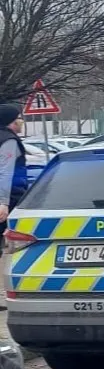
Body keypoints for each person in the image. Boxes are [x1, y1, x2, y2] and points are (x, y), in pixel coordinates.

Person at [0, 105, 27, 256]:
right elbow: (6, 172)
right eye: (19, 118)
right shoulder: (8, 141)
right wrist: (3, 203)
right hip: (10, 197)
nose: (22, 121)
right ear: (11, 121)